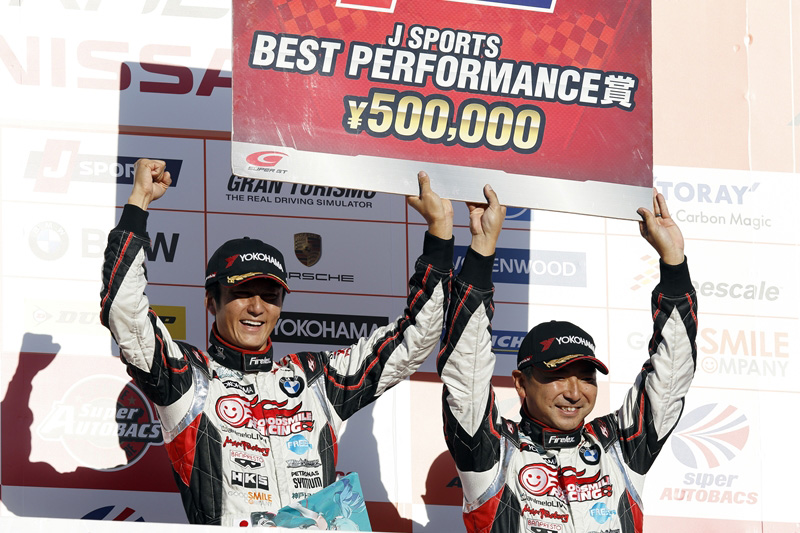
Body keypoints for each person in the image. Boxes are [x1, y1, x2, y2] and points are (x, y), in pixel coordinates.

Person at [100, 159, 454, 526]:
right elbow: (125, 313)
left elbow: (415, 338)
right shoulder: (189, 378)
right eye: (242, 293)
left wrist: (440, 234)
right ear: (211, 302)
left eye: (270, 296)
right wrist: (139, 202)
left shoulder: (315, 380)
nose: (257, 307)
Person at [438, 186, 697, 532]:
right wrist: (482, 249)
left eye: (587, 377)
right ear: (521, 383)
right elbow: (465, 370)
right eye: (558, 376)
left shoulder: (618, 448)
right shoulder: (494, 452)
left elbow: (672, 372)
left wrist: (674, 263)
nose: (575, 392)